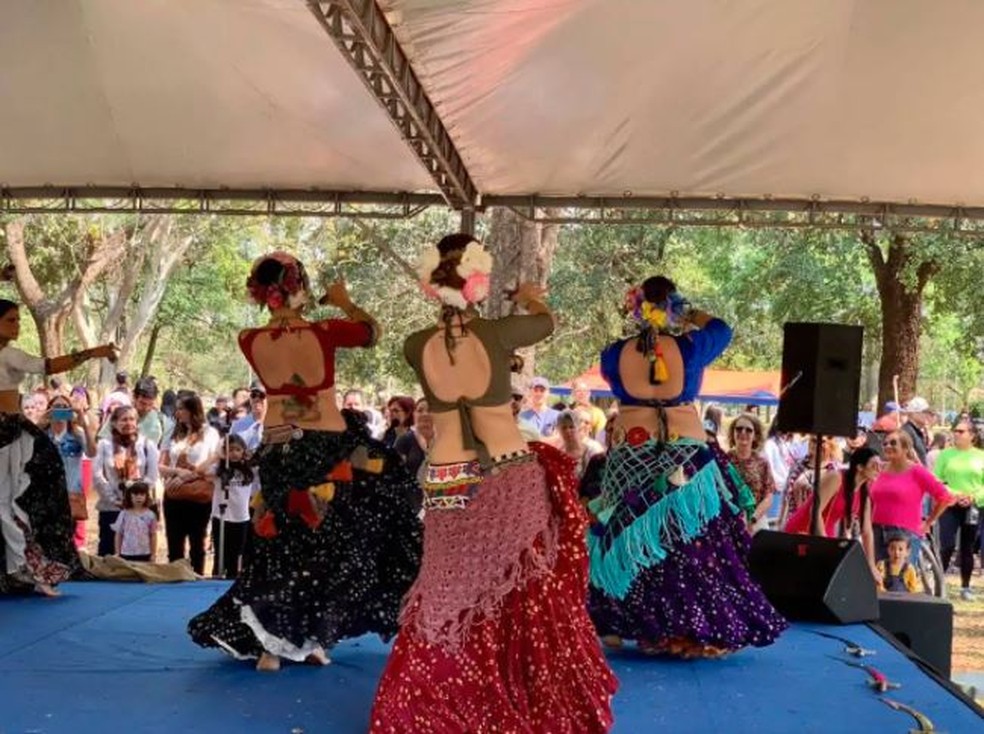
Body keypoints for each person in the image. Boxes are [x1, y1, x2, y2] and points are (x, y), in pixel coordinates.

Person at [371, 234, 616, 732]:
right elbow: (545, 322)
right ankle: (506, 693)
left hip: (446, 477)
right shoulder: (496, 334)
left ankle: (439, 696)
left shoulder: (416, 345)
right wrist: (528, 296)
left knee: (445, 589)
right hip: (507, 472)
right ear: (478, 280)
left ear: (432, 282)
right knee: (520, 589)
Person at [188, 252, 422, 673]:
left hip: (278, 449)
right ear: (298, 287)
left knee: (280, 545)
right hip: (326, 450)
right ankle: (295, 637)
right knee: (334, 544)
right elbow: (372, 332)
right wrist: (344, 301)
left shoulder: (249, 339)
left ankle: (288, 642)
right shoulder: (323, 332)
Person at [586, 277, 786, 658]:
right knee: (688, 544)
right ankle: (684, 630)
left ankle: (633, 624)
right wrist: (688, 314)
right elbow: (722, 330)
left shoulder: (613, 354)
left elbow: (622, 377)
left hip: (631, 458)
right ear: (672, 306)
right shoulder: (690, 348)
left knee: (630, 535)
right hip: (685, 459)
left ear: (636, 309)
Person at [0, 298, 117, 595]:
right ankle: (20, 566)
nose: (17, 325)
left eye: (18, 319)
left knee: (14, 496)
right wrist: (93, 352)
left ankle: (22, 566)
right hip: (7, 433)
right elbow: (47, 365)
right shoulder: (9, 355)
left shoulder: (9, 353)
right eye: (11, 320)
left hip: (13, 432)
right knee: (10, 499)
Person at [784, 448, 881, 578]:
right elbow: (815, 510)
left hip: (825, 533)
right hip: (804, 528)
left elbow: (867, 531)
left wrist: (871, 565)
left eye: (880, 466)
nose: (878, 470)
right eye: (874, 465)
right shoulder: (836, 478)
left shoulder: (864, 494)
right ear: (860, 467)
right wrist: (825, 544)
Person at [869, 430, 952, 566]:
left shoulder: (917, 471)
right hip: (877, 529)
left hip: (904, 532)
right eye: (885, 443)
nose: (888, 446)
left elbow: (944, 496)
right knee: (877, 574)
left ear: (906, 448)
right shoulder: (880, 469)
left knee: (900, 575)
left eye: (893, 443)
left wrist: (929, 522)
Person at [159, 392, 221, 575]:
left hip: (198, 496)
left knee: (197, 544)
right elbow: (160, 465)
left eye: (181, 409)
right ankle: (175, 579)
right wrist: (177, 473)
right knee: (174, 543)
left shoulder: (210, 434)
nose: (177, 413)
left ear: (193, 411)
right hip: (174, 494)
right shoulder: (172, 432)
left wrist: (190, 476)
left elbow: (214, 465)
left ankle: (197, 579)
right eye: (177, 409)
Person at [92, 405, 161, 557]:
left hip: (138, 509)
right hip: (111, 508)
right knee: (109, 552)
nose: (128, 423)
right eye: (123, 420)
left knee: (138, 554)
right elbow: (97, 475)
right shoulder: (104, 445)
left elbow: (152, 476)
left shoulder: (147, 445)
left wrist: (135, 496)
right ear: (114, 422)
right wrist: (114, 499)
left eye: (131, 419)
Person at [932, 417, 984, 601]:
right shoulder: (945, 455)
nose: (956, 434)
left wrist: (973, 497)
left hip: (973, 506)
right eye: (955, 431)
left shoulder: (980, 456)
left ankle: (965, 587)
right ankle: (939, 584)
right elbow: (936, 480)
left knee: (967, 547)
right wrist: (955, 494)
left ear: (972, 435)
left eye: (961, 431)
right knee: (946, 545)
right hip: (949, 505)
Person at [45, 392, 98, 549]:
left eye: (65, 407)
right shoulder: (42, 435)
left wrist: (84, 423)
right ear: (50, 409)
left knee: (68, 536)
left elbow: (92, 453)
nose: (61, 410)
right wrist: (42, 419)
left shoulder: (76, 435)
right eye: (57, 407)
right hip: (47, 492)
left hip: (71, 492)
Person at [210, 433, 256, 579]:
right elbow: (199, 471)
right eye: (230, 450)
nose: (234, 453)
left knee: (236, 555)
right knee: (220, 554)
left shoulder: (250, 470)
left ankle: (232, 579)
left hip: (241, 517)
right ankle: (216, 580)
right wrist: (218, 456)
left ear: (243, 451)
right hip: (221, 517)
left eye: (238, 449)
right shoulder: (219, 469)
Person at [728, 414, 776, 533]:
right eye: (739, 429)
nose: (743, 432)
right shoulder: (723, 460)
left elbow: (769, 497)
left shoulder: (762, 463)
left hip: (756, 520)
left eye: (749, 430)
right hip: (729, 521)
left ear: (755, 436)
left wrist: (753, 518)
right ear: (733, 433)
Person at [112, 481, 158, 562]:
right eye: (136, 494)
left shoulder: (150, 515)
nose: (139, 497)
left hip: (145, 553)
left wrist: (153, 553)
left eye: (142, 494)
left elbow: (153, 535)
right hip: (126, 553)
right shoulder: (124, 514)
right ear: (130, 495)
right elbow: (119, 534)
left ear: (146, 496)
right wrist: (117, 552)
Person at [393, 398, 433, 480]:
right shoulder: (405, 440)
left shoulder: (446, 440)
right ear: (414, 415)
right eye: (420, 411)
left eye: (430, 410)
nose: (425, 414)